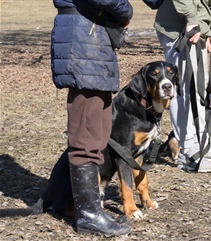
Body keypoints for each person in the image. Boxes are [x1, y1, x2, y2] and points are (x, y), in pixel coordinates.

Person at [51, 0, 133, 236]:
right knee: (86, 137)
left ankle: (90, 209)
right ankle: (88, 216)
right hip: (84, 37)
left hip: (89, 35)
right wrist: (126, 10)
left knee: (97, 132)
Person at [154, 0, 211, 173]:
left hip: (195, 27)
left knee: (198, 86)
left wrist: (208, 31)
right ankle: (186, 149)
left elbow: (204, 4)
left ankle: (201, 141)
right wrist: (192, 19)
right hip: (179, 28)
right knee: (184, 88)